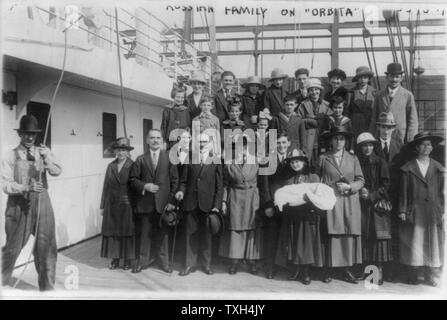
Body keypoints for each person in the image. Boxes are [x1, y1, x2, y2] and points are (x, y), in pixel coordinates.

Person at [1, 115, 62, 291]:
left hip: (43, 203)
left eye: (33, 134)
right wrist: (26, 187)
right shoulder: (9, 155)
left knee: (47, 247)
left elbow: (57, 171)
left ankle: (47, 290)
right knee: (12, 249)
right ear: (20, 134)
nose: (30, 138)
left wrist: (47, 158)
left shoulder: (43, 151)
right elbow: (5, 184)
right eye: (26, 134)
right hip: (19, 205)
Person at [318, 126, 364, 284]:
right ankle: (328, 269)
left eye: (342, 138)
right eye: (336, 138)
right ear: (331, 140)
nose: (339, 141)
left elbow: (360, 180)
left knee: (347, 233)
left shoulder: (353, 158)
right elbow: (317, 178)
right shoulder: (323, 158)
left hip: (349, 201)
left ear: (346, 141)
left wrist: (350, 186)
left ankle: (346, 269)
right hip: (331, 200)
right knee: (332, 233)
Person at [398, 132, 445, 286]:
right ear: (417, 147)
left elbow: (441, 192)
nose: (426, 147)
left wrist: (443, 211)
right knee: (415, 241)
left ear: (432, 148)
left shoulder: (438, 168)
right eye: (423, 144)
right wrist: (403, 210)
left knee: (432, 243)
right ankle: (414, 273)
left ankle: (430, 274)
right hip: (415, 210)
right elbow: (403, 192)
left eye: (429, 144)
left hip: (433, 210)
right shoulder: (408, 168)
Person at [129, 129, 178, 273]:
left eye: (158, 138)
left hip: (164, 204)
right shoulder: (140, 159)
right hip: (145, 204)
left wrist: (171, 202)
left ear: (162, 140)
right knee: (145, 234)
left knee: (163, 235)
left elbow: (175, 181)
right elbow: (132, 180)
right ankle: (143, 261)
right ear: (147, 140)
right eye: (152, 138)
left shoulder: (169, 158)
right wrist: (145, 186)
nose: (155, 140)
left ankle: (164, 263)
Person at [175, 133, 224, 276]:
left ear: (209, 143)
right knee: (189, 234)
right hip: (190, 202)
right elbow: (183, 181)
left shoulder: (216, 159)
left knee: (207, 235)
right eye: (200, 141)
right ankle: (189, 264)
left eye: (205, 141)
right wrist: (181, 192)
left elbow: (220, 186)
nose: (202, 144)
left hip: (208, 204)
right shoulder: (190, 157)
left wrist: (217, 204)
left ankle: (206, 264)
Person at [276, 149, 324, 285]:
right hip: (293, 215)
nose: (295, 164)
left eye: (298, 161)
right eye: (292, 162)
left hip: (308, 215)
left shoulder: (313, 177)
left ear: (304, 162)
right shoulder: (289, 179)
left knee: (306, 243)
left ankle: (306, 271)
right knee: (294, 241)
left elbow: (319, 195)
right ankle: (295, 268)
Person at [219, 143, 263, 275]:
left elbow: (262, 182)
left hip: (252, 197)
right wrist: (223, 202)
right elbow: (225, 184)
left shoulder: (257, 162)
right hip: (235, 197)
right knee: (235, 228)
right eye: (240, 148)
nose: (243, 151)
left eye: (245, 148)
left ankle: (251, 261)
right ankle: (234, 261)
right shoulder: (230, 164)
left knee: (252, 229)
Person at [356, 132, 393, 285]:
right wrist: (361, 191)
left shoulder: (380, 162)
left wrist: (371, 196)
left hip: (377, 205)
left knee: (379, 238)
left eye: (370, 145)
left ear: (374, 146)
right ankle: (367, 272)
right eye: (364, 145)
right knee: (366, 237)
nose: (367, 148)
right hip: (363, 205)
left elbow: (386, 185)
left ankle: (378, 272)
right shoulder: (357, 162)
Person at [100, 137, 136, 271]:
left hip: (127, 204)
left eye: (123, 150)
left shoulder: (133, 165)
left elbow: (135, 186)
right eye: (118, 150)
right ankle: (115, 259)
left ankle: (127, 260)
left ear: (127, 152)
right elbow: (106, 186)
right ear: (115, 151)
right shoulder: (111, 166)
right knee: (114, 232)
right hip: (112, 204)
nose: (120, 153)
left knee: (126, 232)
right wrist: (103, 206)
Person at [259, 133, 291, 279]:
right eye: (278, 143)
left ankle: (287, 267)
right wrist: (267, 204)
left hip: (290, 204)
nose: (281, 146)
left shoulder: (293, 159)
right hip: (273, 204)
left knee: (287, 236)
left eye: (284, 143)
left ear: (289, 143)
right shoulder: (268, 160)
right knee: (271, 236)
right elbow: (264, 184)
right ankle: (270, 267)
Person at [369, 63, 418, 143]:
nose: (394, 79)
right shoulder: (379, 95)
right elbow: (374, 117)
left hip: (400, 135)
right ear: (387, 77)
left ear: (401, 78)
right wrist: (371, 136)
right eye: (391, 76)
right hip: (383, 135)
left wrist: (411, 138)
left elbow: (412, 119)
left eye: (397, 77)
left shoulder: (407, 95)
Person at [297, 78, 332, 171]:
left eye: (316, 89)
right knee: (308, 161)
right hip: (308, 137)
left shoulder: (327, 105)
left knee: (322, 161)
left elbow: (330, 122)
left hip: (322, 138)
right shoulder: (302, 105)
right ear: (308, 91)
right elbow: (298, 121)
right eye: (311, 90)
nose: (314, 92)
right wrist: (308, 121)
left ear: (320, 91)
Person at [346, 66, 376, 137]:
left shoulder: (374, 92)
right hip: (355, 125)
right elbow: (347, 111)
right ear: (357, 79)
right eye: (360, 77)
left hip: (370, 124)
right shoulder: (351, 93)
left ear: (368, 79)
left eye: (365, 77)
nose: (362, 80)